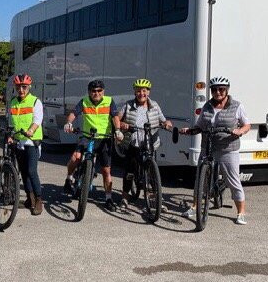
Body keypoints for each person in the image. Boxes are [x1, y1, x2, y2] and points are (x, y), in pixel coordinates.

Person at [180, 76, 250, 225]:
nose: (217, 92)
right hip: (208, 146)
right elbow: (200, 125)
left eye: (221, 89)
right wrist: (190, 130)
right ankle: (195, 206)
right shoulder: (207, 106)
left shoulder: (237, 106)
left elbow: (247, 125)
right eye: (214, 90)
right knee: (200, 178)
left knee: (233, 180)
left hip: (227, 149)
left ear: (227, 90)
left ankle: (241, 212)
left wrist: (239, 131)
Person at [63, 80, 123, 212]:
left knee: (106, 171)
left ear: (103, 91)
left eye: (99, 91)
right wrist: (69, 123)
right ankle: (69, 179)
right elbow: (74, 113)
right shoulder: (84, 101)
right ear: (89, 92)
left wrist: (117, 130)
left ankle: (108, 198)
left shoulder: (109, 101)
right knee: (75, 157)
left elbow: (115, 117)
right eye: (93, 91)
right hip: (87, 136)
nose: (96, 93)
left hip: (104, 138)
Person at [118, 79, 172, 209]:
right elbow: (117, 120)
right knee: (129, 170)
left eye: (144, 90)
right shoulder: (128, 105)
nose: (141, 93)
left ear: (148, 92)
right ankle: (125, 196)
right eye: (138, 91)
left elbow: (164, 120)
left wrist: (167, 124)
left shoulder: (154, 105)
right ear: (134, 92)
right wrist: (122, 124)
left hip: (150, 142)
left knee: (152, 171)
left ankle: (155, 199)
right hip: (133, 140)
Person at [8, 74, 44, 215]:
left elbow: (37, 119)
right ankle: (30, 199)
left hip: (31, 140)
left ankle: (39, 200)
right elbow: (11, 120)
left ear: (29, 87)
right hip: (19, 141)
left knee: (31, 171)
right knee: (23, 171)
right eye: (18, 87)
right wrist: (10, 136)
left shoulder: (35, 102)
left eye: (24, 87)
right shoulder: (13, 102)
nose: (21, 90)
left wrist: (31, 130)